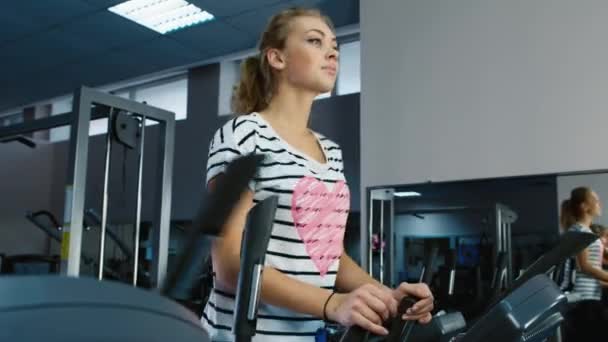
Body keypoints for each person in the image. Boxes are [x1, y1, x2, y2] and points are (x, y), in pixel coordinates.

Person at [200, 7, 434, 341]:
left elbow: (328, 257)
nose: (332, 51)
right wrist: (332, 304)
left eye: (335, 45)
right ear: (277, 58)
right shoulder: (243, 134)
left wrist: (388, 296)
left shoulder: (331, 153)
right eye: (314, 40)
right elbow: (228, 266)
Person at [562, 187, 608, 340]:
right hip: (582, 300)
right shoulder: (579, 230)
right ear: (584, 206)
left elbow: (591, 270)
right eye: (595, 200)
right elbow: (585, 266)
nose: (599, 203)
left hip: (591, 298)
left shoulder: (586, 231)